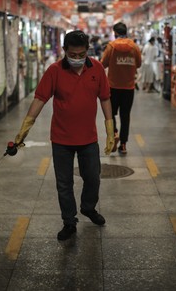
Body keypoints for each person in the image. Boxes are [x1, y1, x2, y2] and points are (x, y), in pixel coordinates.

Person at [13, 30, 115, 241]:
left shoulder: (96, 68)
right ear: (64, 51)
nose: (77, 58)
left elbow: (104, 98)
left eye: (81, 54)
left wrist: (110, 127)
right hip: (61, 139)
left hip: (88, 138)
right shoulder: (54, 71)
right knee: (64, 183)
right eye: (72, 54)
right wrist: (25, 128)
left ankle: (88, 207)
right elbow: (40, 99)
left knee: (93, 178)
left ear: (87, 51)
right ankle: (69, 221)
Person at [101, 22, 142, 155]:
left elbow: (103, 64)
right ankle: (123, 144)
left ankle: (114, 133)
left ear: (115, 33)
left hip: (113, 86)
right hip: (128, 87)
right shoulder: (134, 47)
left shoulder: (111, 47)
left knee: (110, 113)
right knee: (125, 116)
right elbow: (139, 64)